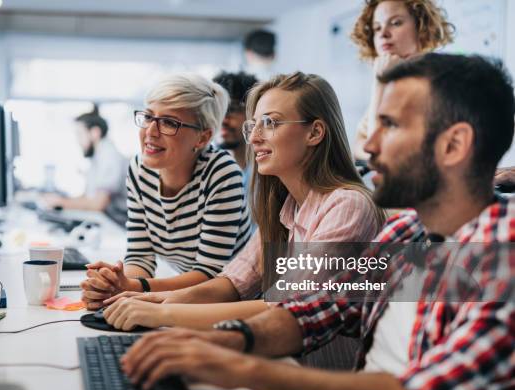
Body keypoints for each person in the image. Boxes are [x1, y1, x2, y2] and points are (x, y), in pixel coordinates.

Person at [120, 54, 515, 390]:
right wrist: (224, 340)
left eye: (390, 126)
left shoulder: (502, 257)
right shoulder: (407, 234)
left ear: (454, 145)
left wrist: (239, 368)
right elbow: (321, 309)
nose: (370, 145)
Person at [100, 72, 385, 331]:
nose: (255, 138)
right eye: (254, 125)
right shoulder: (285, 207)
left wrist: (163, 313)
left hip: (325, 378)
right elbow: (232, 283)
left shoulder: (347, 206)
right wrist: (148, 299)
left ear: (315, 133)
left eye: (270, 123)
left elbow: (288, 308)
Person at [80, 74, 252, 307]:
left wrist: (133, 288)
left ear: (203, 137)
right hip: (184, 298)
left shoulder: (222, 173)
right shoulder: (139, 169)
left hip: (230, 301)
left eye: (169, 122)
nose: (150, 131)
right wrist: (116, 285)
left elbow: (209, 273)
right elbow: (140, 256)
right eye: (149, 117)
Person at [350, 0, 454, 161]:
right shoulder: (394, 81)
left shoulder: (439, 82)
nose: (383, 33)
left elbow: (379, 150)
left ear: (422, 28)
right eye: (377, 28)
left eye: (396, 23)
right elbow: (360, 145)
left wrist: (380, 81)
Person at [43, 105, 129, 226]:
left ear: (95, 133)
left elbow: (97, 204)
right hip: (107, 221)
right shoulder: (98, 156)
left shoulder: (109, 157)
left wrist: (61, 202)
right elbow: (88, 197)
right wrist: (61, 201)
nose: (78, 141)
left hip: (117, 226)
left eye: (79, 134)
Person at [212, 71, 258, 191]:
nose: (222, 120)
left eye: (231, 110)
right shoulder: (202, 165)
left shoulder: (267, 173)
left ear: (253, 112)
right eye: (216, 111)